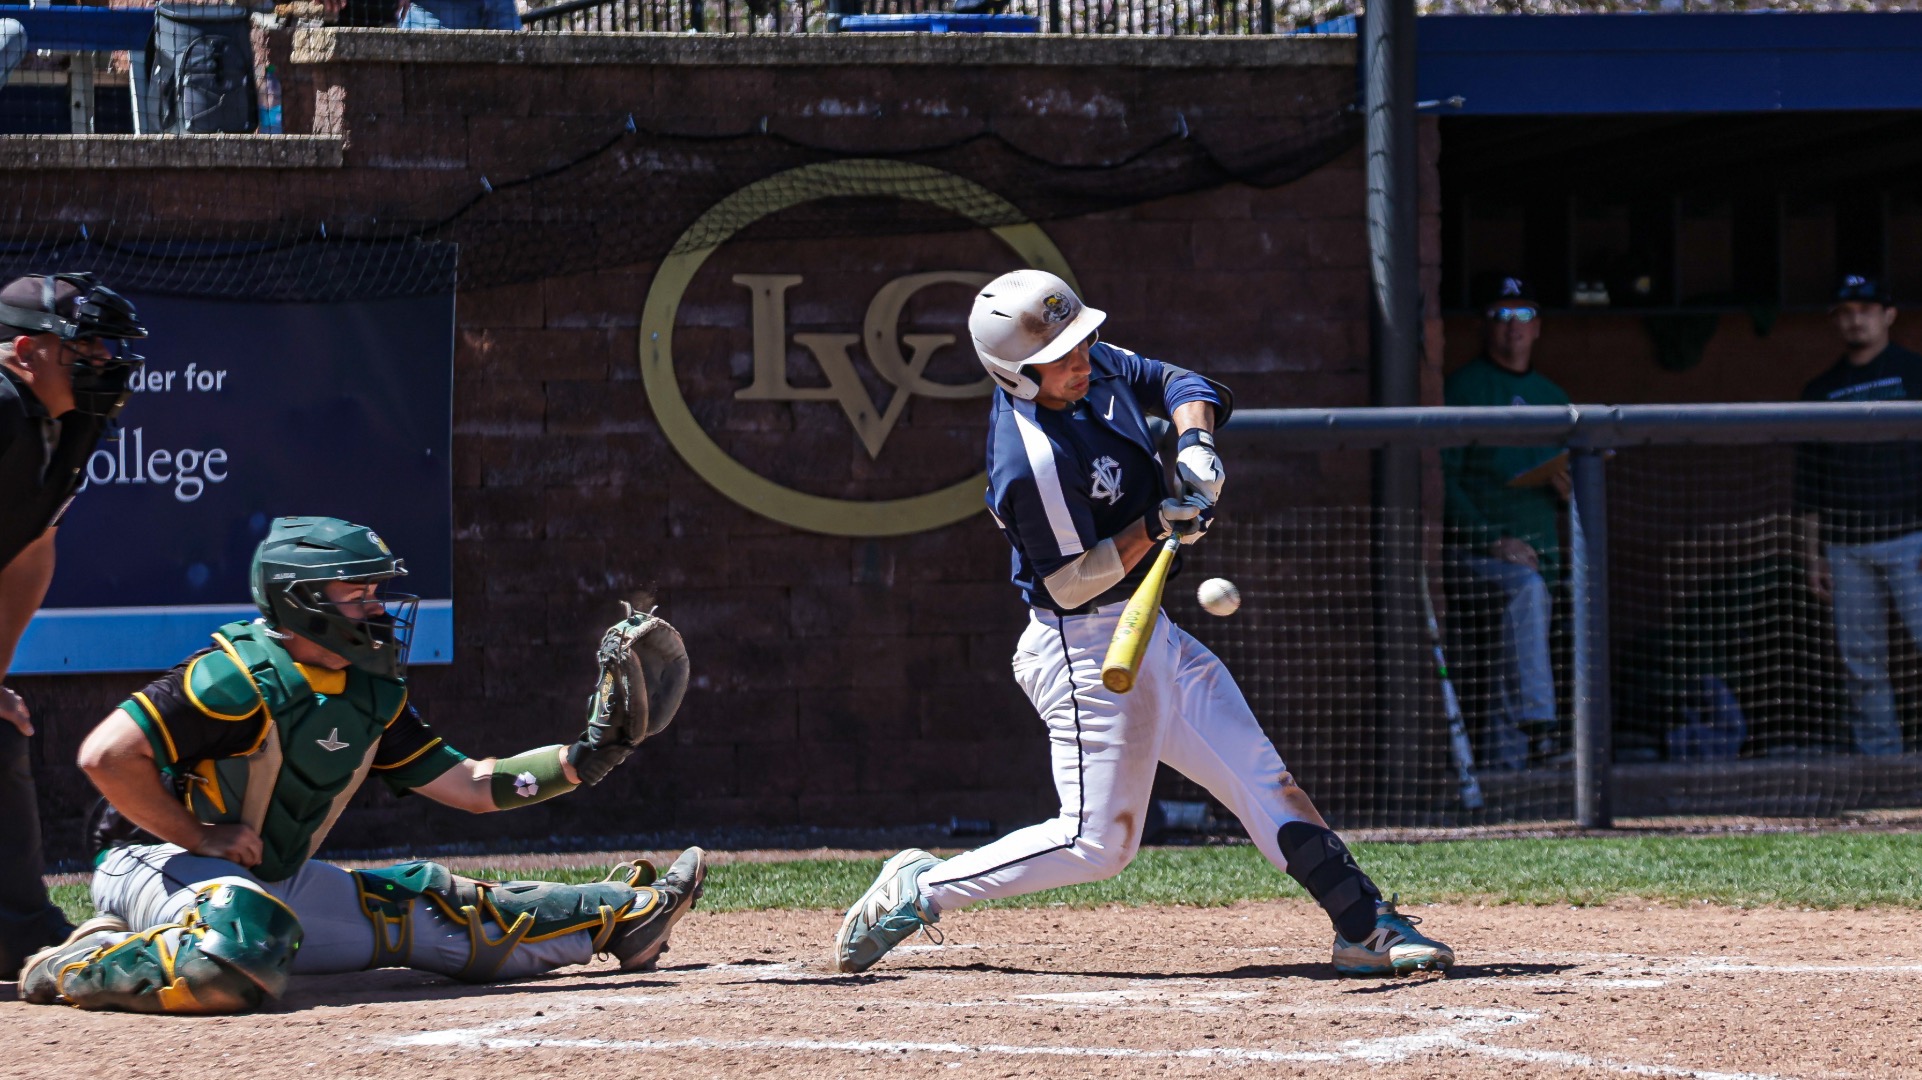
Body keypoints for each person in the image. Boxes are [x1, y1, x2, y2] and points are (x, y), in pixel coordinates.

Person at [832, 270, 1453, 978]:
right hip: (1085, 648)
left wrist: (1196, 447)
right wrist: (1152, 525)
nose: (1082, 357)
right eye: (1060, 353)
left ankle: (1361, 923)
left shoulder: (1089, 366)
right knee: (1099, 845)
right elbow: (1068, 585)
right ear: (1017, 374)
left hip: (1147, 626)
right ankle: (922, 890)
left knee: (1263, 778)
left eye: (1082, 339)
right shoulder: (1029, 458)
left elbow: (1183, 383)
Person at [19, 516, 705, 1013]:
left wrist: (586, 758)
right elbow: (104, 755)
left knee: (435, 909)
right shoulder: (232, 678)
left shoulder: (366, 694)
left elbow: (471, 786)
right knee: (242, 943)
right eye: (359, 594)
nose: (378, 608)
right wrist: (199, 838)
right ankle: (76, 959)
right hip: (153, 866)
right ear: (302, 602)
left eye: (376, 592)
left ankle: (628, 916)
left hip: (264, 886)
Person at [0, 273, 147, 977]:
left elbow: (29, 553)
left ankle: (18, 936)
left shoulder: (76, 423)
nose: (101, 358)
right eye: (81, 347)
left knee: (2, 731)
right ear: (25, 350)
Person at [1441, 276, 1570, 771]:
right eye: (1500, 317)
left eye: (1521, 317)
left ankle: (1514, 771)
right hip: (1476, 558)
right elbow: (1443, 484)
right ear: (1484, 326)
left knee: (1526, 623)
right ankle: (1541, 728)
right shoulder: (1464, 387)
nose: (1511, 329)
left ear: (1537, 327)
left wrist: (1568, 490)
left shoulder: (1552, 393)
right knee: (1524, 590)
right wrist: (1492, 541)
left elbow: (1569, 480)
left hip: (1544, 557)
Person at [1795, 274, 1922, 756]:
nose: (1855, 319)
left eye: (1865, 309)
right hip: (1846, 547)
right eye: (1845, 312)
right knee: (1861, 663)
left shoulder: (1915, 373)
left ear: (1888, 315)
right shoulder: (1821, 389)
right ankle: (1882, 762)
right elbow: (1808, 481)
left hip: (1914, 539)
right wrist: (1813, 556)